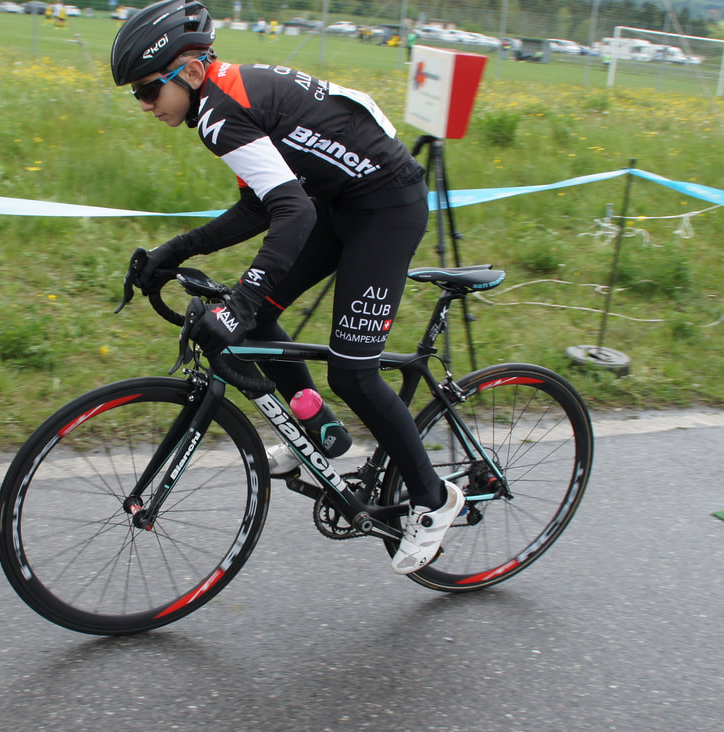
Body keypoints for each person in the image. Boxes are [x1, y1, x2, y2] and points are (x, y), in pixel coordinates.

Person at [110, 0, 465, 575]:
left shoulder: (221, 111)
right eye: (137, 96)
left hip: (386, 211)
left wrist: (243, 300)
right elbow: (261, 207)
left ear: (192, 71)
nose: (146, 105)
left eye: (149, 90)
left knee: (353, 372)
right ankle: (320, 434)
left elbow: (291, 213)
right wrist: (174, 252)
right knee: (251, 318)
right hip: (339, 204)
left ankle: (434, 498)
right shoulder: (223, 98)